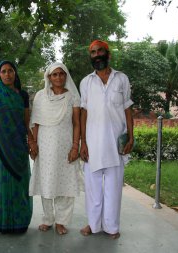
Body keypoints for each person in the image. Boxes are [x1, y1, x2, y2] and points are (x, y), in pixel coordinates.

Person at [79, 40, 134, 239]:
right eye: (93, 52)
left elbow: (128, 108)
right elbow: (83, 113)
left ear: (108, 54)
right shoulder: (86, 82)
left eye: (100, 51)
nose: (96, 55)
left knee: (113, 188)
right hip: (92, 143)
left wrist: (131, 136)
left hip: (115, 142)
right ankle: (93, 225)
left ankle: (112, 227)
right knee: (93, 189)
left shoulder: (121, 79)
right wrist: (83, 142)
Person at [29, 62, 84, 235]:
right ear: (49, 77)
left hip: (65, 145)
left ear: (66, 76)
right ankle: (47, 219)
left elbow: (76, 123)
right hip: (44, 147)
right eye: (54, 74)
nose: (58, 77)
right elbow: (35, 123)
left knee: (65, 184)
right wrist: (33, 144)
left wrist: (76, 146)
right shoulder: (40, 96)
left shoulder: (73, 97)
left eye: (61, 74)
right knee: (46, 183)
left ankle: (61, 221)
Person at [0, 60, 35, 233]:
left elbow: (26, 122)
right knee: (1, 185)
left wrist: (31, 141)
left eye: (10, 71)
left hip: (18, 147)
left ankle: (21, 222)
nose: (7, 74)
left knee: (21, 185)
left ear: (15, 73)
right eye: (3, 71)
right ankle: (1, 223)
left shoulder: (22, 95)